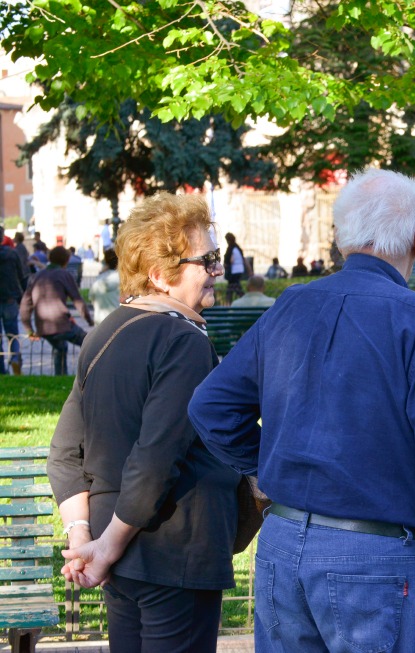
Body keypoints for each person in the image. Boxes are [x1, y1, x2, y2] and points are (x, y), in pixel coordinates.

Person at [188, 168, 415, 653]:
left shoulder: (293, 304)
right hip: (376, 559)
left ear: (341, 238)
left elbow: (211, 406)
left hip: (285, 547)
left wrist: (272, 467)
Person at [46, 193, 239, 652]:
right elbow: (154, 459)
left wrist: (87, 537)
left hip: (122, 558)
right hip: (174, 552)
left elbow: (63, 454)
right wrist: (103, 548)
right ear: (159, 275)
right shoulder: (184, 340)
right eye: (208, 259)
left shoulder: (103, 332)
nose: (218, 270)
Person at [20, 245, 94, 375]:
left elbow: (25, 305)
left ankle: (60, 376)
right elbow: (77, 300)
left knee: (60, 348)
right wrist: (89, 320)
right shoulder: (64, 275)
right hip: (62, 324)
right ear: (66, 261)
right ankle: (93, 373)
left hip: (43, 326)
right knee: (90, 344)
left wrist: (29, 329)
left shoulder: (36, 277)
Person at [0, 225, 28, 375]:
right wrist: (24, 295)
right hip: (10, 298)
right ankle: (16, 360)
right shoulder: (12, 254)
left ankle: (1, 369)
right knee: (13, 335)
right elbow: (22, 275)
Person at [89, 248, 121, 325]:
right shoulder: (122, 280)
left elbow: (91, 298)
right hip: (117, 321)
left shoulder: (98, 280)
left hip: (100, 323)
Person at [223, 232, 250, 302]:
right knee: (233, 287)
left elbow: (229, 260)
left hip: (234, 271)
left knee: (233, 287)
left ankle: (242, 300)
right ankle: (230, 301)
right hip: (239, 269)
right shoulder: (238, 248)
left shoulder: (230, 248)